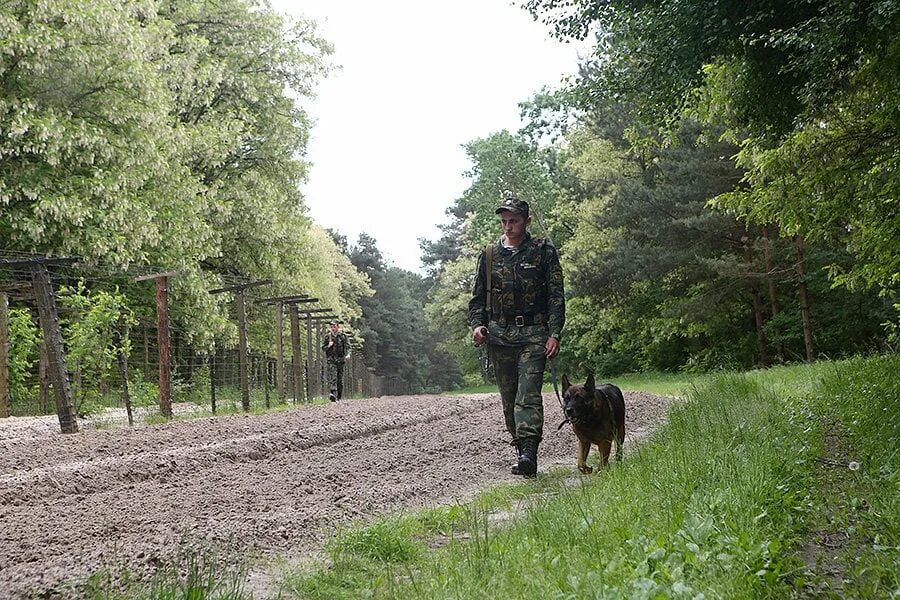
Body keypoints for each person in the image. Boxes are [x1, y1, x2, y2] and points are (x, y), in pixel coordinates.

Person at [468, 195, 565, 477]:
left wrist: (554, 333)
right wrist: (477, 327)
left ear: (526, 222)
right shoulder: (489, 255)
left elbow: (556, 297)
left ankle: (529, 454)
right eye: (504, 221)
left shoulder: (543, 252)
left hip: (534, 334)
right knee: (509, 398)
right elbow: (476, 300)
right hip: (499, 336)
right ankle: (520, 449)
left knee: (528, 394)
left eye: (514, 221)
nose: (508, 226)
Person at [323, 321, 349, 401]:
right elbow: (323, 348)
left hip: (340, 360)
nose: (333, 328)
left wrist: (347, 354)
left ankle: (339, 396)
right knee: (332, 376)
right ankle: (333, 393)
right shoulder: (328, 337)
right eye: (331, 327)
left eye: (334, 326)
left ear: (338, 327)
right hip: (331, 359)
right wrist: (328, 345)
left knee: (339, 379)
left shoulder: (343, 336)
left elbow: (347, 347)